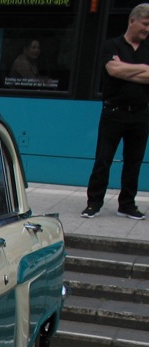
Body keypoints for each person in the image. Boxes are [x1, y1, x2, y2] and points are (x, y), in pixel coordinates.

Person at [82, 3, 149, 220]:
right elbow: (112, 70)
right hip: (113, 112)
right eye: (145, 24)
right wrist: (143, 69)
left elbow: (120, 71)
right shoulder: (111, 45)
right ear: (132, 21)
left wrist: (124, 70)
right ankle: (94, 203)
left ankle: (127, 204)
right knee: (103, 158)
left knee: (134, 161)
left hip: (140, 113)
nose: (147, 30)